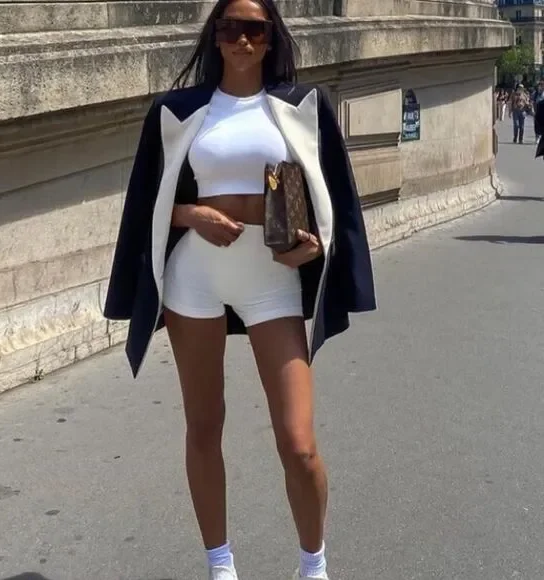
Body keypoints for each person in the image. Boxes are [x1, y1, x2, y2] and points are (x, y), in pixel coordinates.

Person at [103, 0, 376, 578]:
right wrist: (191, 214)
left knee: (299, 443)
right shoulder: (177, 111)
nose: (242, 39)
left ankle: (313, 564)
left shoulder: (303, 106)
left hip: (271, 280)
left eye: (254, 28)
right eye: (230, 27)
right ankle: (220, 564)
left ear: (271, 37)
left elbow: (332, 200)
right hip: (194, 279)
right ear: (216, 35)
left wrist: (317, 247)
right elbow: (146, 203)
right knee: (204, 427)